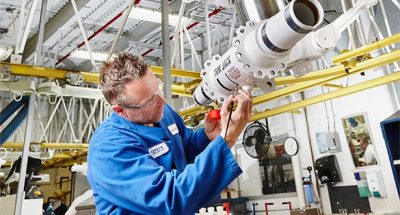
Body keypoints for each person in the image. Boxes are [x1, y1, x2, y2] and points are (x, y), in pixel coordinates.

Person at [86, 53, 252, 215]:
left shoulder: (164, 114)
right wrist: (226, 139)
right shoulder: (109, 146)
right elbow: (171, 201)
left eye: (158, 90)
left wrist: (208, 137)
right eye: (150, 100)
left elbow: (184, 148)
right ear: (121, 111)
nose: (163, 101)